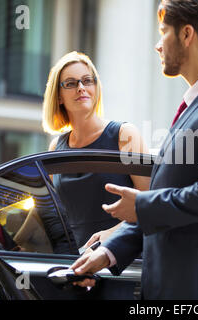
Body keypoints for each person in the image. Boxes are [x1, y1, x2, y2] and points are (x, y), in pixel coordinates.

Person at [71, 0, 198, 300]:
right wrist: (108, 252)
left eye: (163, 33)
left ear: (187, 35)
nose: (158, 46)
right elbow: (169, 205)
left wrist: (142, 205)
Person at [42, 51, 150, 249]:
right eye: (71, 83)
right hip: (74, 264)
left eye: (87, 80)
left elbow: (151, 203)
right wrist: (2, 236)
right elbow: (44, 212)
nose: (81, 88)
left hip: (120, 258)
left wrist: (113, 233)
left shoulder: (125, 135)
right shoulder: (56, 147)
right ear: (58, 97)